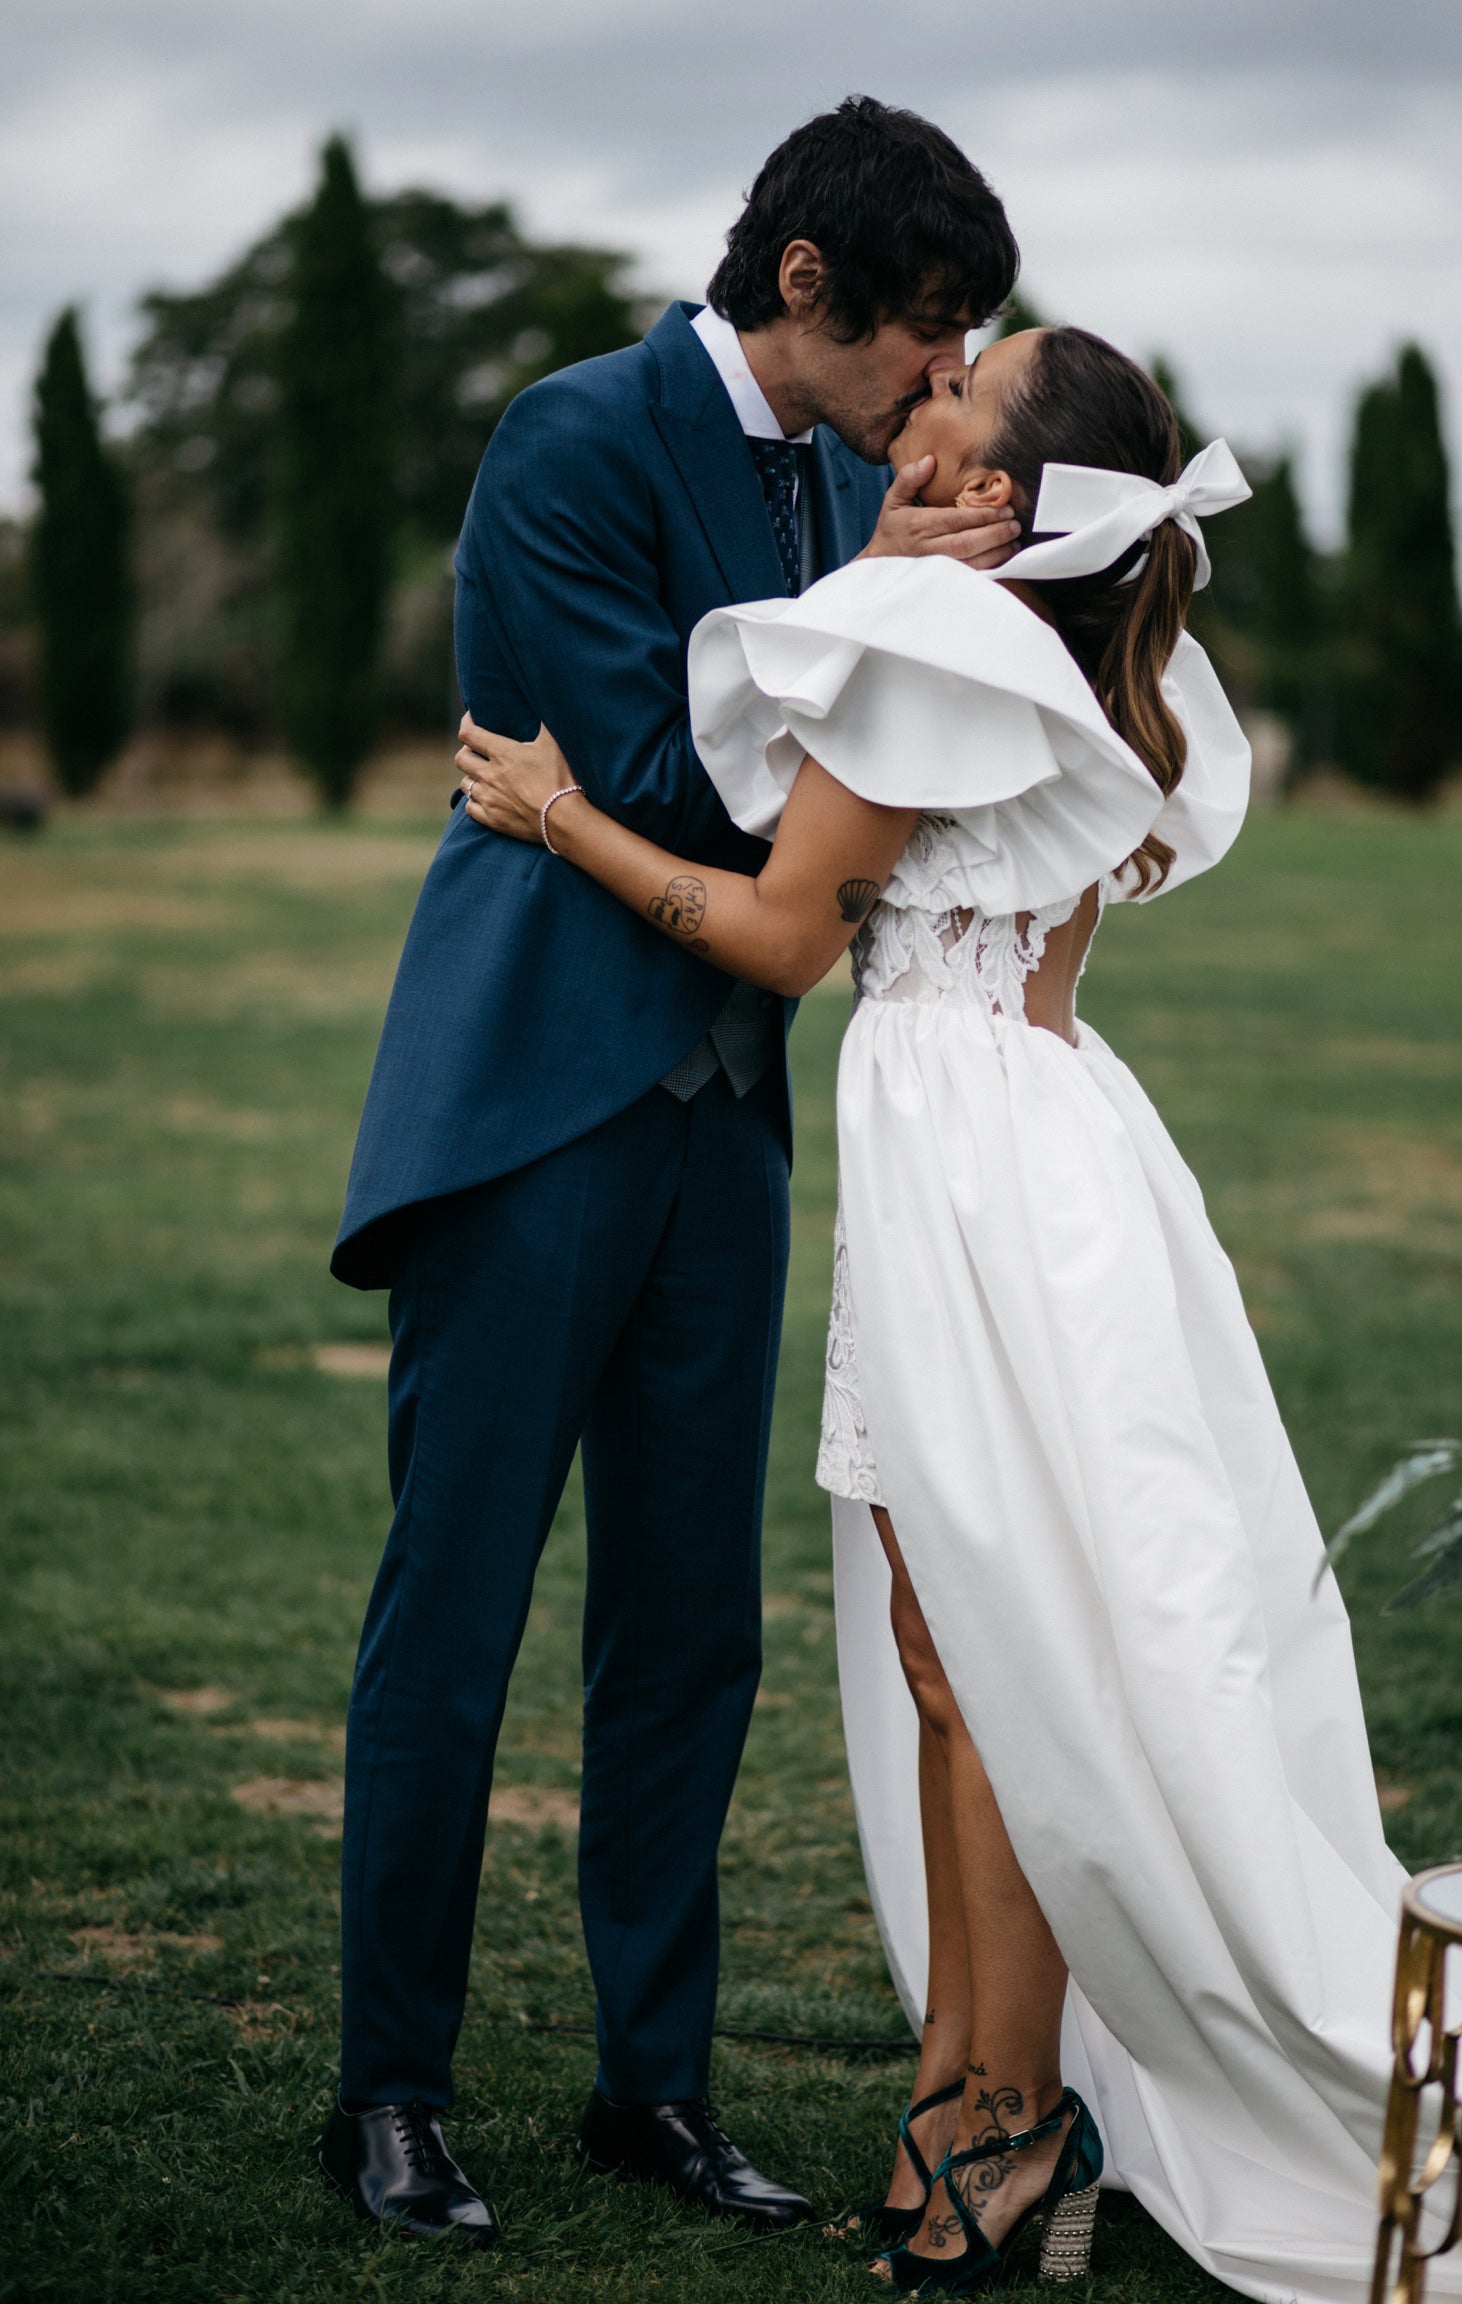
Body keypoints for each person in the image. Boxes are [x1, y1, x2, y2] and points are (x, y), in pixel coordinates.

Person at [454, 321, 1462, 2300]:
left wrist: (558, 818)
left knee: (993, 1654)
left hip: (982, 1183)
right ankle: (974, 2080)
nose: (922, 389)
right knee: (966, 1654)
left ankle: (1002, 2106)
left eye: (965, 386)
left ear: (1007, 482)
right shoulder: (1055, 648)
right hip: (1025, 1153)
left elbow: (785, 938)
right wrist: (888, 556)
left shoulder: (943, 657)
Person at [319, 97, 1021, 2246]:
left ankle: (656, 2091)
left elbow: (815, 815)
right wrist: (865, 617)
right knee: (458, 1612)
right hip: (533, 1108)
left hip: (730, 1120)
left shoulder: (843, 480)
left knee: (689, 1634)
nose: (940, 382)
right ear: (804, 282)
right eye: (924, 332)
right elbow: (655, 778)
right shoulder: (568, 435)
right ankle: (393, 2095)